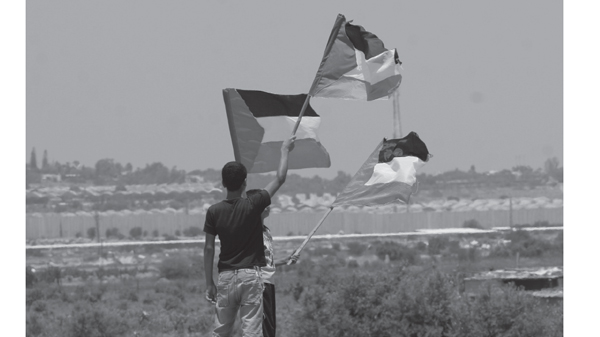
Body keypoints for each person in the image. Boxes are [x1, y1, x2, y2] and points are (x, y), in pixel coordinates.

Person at [204, 136, 295, 337]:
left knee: (220, 331)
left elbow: (209, 248)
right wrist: (285, 150)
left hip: (225, 277)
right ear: (245, 183)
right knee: (252, 332)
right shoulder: (254, 204)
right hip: (250, 277)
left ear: (223, 183)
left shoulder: (213, 211)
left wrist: (209, 282)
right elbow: (280, 178)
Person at [245, 189, 299, 337]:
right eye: (265, 204)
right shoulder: (248, 231)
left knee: (269, 326)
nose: (269, 207)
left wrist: (286, 260)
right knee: (259, 327)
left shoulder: (266, 231)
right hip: (257, 284)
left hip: (269, 283)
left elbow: (268, 261)